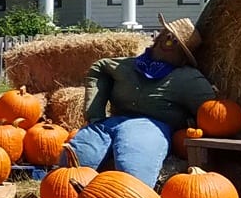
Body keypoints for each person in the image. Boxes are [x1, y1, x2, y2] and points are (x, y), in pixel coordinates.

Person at [68, 16, 217, 188]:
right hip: (110, 123)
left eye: (176, 41)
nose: (168, 41)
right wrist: (95, 113)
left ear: (183, 55)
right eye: (167, 34)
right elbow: (100, 68)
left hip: (150, 127)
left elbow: (213, 113)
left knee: (133, 177)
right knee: (73, 162)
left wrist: (191, 129)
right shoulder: (129, 65)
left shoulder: (187, 79)